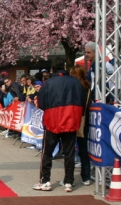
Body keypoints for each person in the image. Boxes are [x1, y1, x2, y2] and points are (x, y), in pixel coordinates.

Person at [33, 57, 85, 192]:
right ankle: (69, 181)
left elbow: (41, 103)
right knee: (69, 152)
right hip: (71, 119)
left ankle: (45, 181)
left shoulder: (48, 83)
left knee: (47, 152)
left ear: (52, 69)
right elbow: (82, 101)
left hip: (53, 120)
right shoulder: (75, 82)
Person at [70, 65, 92, 186]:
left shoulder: (73, 87)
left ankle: (69, 178)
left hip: (72, 119)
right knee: (84, 150)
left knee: (69, 150)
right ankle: (86, 176)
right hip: (84, 120)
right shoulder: (88, 87)